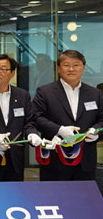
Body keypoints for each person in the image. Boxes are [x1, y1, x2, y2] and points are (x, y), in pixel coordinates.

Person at [31, 50, 103, 181]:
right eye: (66, 65)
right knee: (54, 199)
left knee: (84, 200)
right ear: (58, 68)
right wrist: (60, 130)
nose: (71, 69)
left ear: (83, 68)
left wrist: (96, 131)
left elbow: (102, 120)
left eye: (76, 65)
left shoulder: (95, 94)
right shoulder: (45, 92)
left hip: (85, 161)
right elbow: (36, 117)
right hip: (55, 161)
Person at [0, 54, 40, 182]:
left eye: (3, 69)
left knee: (15, 196)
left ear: (12, 73)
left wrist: (32, 134)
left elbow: (29, 122)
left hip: (15, 157)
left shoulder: (22, 95)